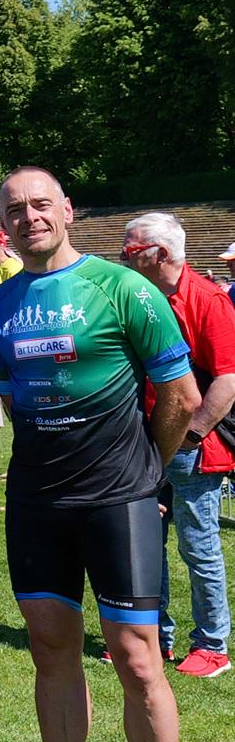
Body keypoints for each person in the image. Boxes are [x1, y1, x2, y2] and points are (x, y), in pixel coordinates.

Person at [0, 167, 200, 742]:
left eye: (41, 203)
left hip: (119, 499)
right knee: (50, 650)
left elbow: (179, 394)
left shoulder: (123, 288)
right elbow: (15, 406)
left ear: (66, 210)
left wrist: (145, 469)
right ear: (3, 223)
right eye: (14, 208)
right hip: (39, 502)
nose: (29, 216)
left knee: (138, 659)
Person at [122, 212, 235, 679]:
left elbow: (227, 380)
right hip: (145, 443)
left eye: (129, 252)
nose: (121, 259)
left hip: (192, 447)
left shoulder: (208, 300)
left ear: (161, 254)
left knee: (198, 545)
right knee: (146, 543)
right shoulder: (140, 298)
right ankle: (156, 638)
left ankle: (212, 645)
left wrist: (190, 435)